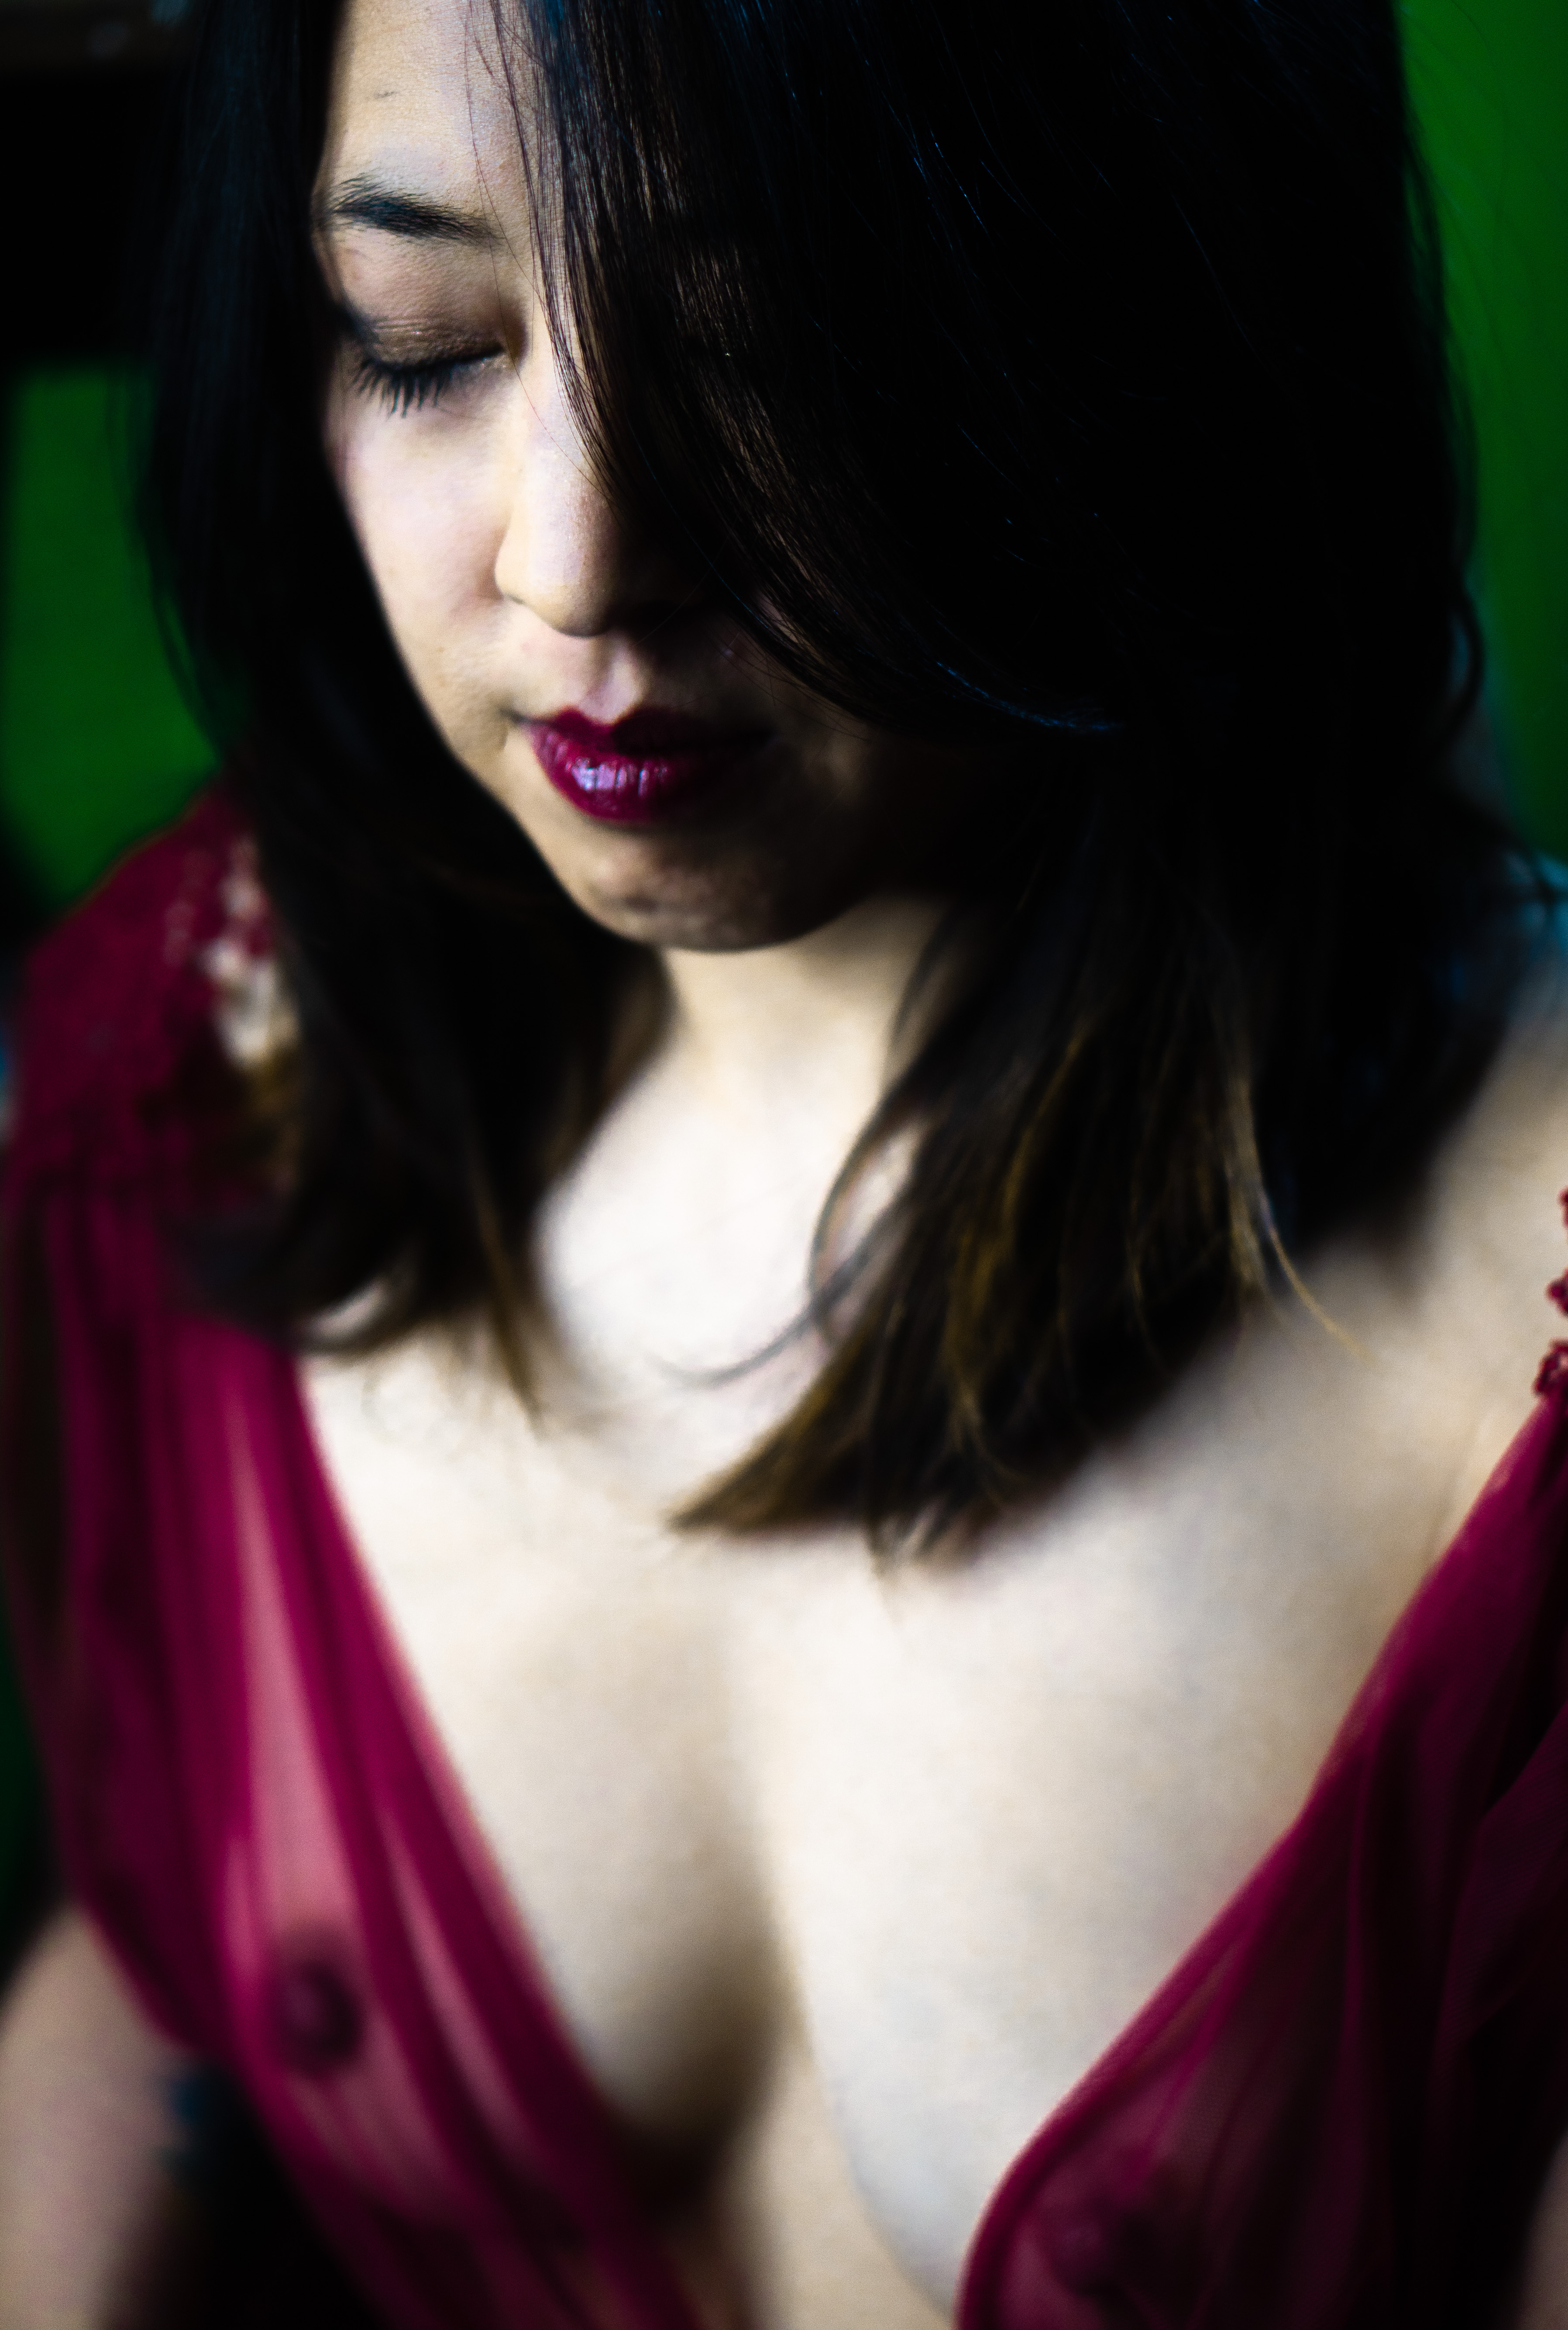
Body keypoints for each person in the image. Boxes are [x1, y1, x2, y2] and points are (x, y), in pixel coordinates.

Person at [2, 0, 1568, 2321]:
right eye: (425, 344)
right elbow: (166, 1970)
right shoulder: (213, 1057)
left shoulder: (1509, 1339)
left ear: (1149, 311)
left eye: (771, 349)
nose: (575, 563)